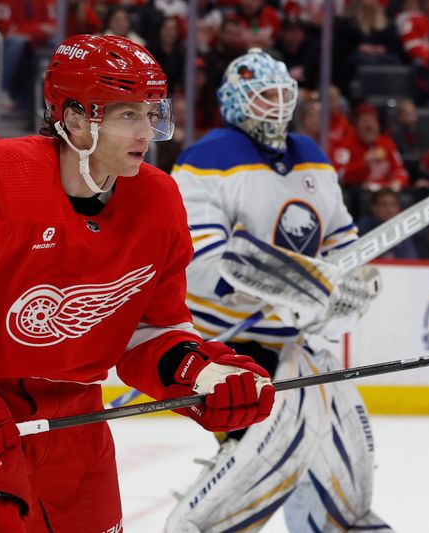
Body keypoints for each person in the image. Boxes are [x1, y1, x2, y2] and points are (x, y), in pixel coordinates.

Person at [0, 34, 275, 533]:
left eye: (150, 111)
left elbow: (150, 334)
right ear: (72, 119)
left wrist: (202, 374)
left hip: (77, 412)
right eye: (126, 115)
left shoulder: (160, 202)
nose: (146, 130)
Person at [167, 48, 392, 532]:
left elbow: (341, 246)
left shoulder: (312, 156)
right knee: (246, 485)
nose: (277, 105)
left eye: (282, 95)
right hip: (228, 351)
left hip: (303, 348)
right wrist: (295, 286)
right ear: (235, 101)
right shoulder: (205, 159)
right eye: (264, 95)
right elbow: (202, 267)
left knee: (337, 485)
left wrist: (351, 291)